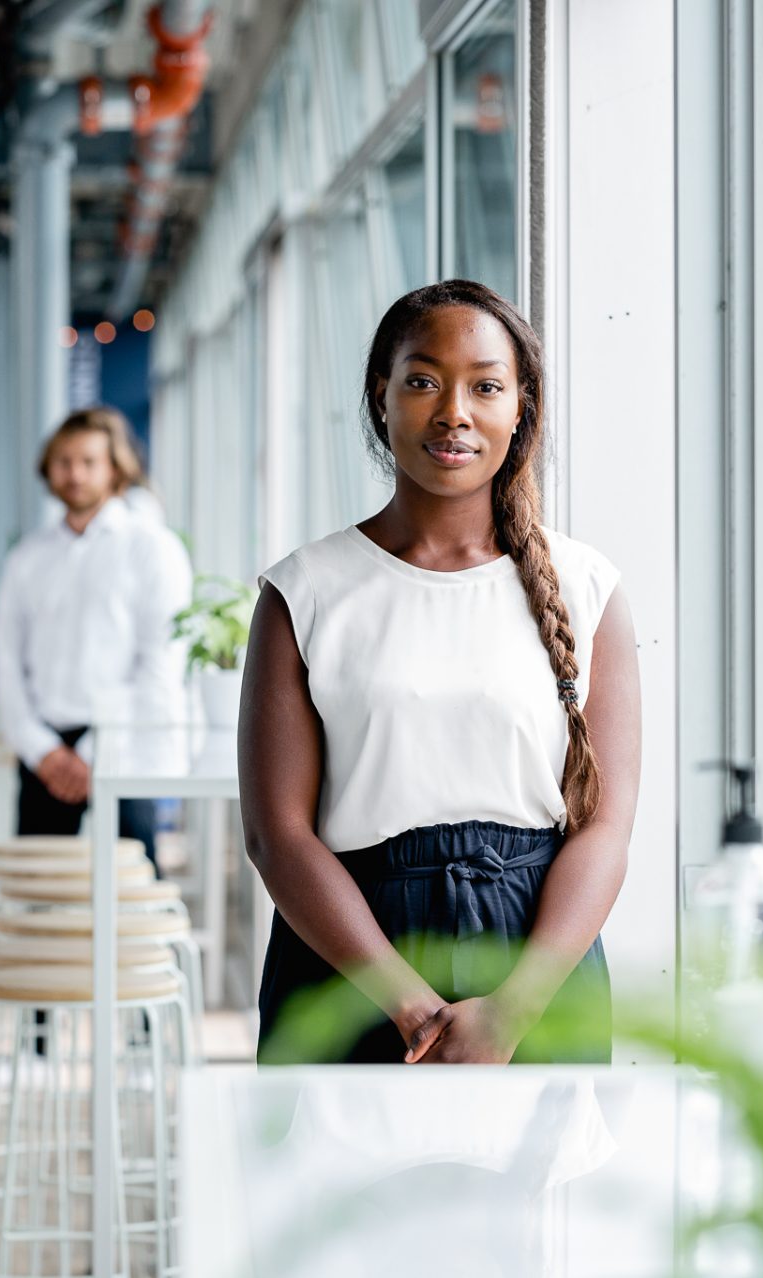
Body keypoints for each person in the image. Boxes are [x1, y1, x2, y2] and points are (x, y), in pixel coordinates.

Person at [239, 279, 640, 1065]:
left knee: (542, 1191)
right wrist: (412, 1008)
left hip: (539, 959)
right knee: (343, 1189)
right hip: (348, 956)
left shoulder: (587, 586)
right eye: (423, 381)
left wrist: (515, 1009)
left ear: (520, 406)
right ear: (379, 396)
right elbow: (277, 835)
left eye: (486, 386)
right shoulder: (306, 591)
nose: (453, 411)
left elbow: (605, 828)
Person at [0, 405, 194, 869]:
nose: (75, 474)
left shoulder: (152, 548)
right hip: (46, 751)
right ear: (49, 469)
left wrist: (91, 756)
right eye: (63, 462)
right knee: (39, 895)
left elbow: (161, 661)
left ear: (115, 468)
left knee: (135, 891)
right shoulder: (27, 557)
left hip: (125, 744)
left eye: (88, 462)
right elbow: (7, 660)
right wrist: (43, 752)